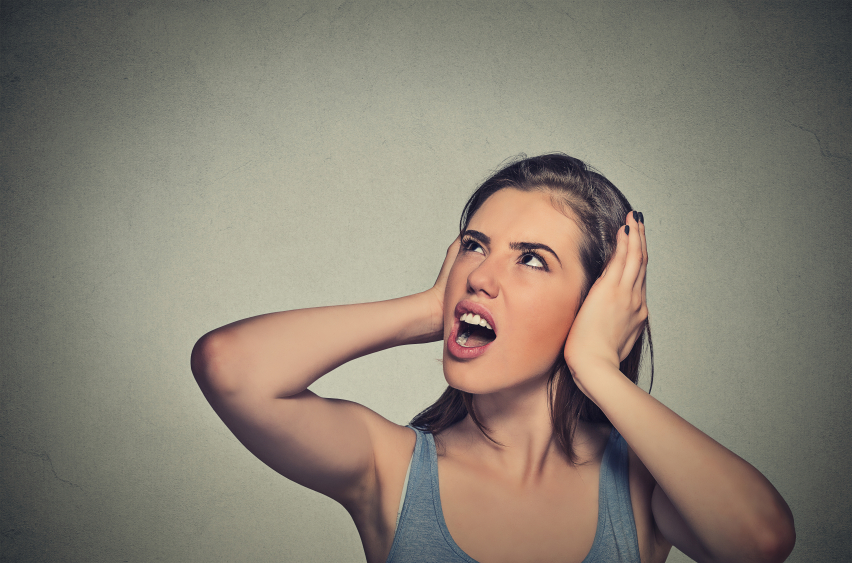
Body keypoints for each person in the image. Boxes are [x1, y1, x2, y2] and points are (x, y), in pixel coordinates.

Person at [191, 154, 796, 563]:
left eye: (531, 258)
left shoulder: (642, 484)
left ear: (596, 303)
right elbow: (230, 366)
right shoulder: (391, 467)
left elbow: (761, 540)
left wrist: (599, 369)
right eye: (475, 247)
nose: (480, 274)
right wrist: (430, 309)